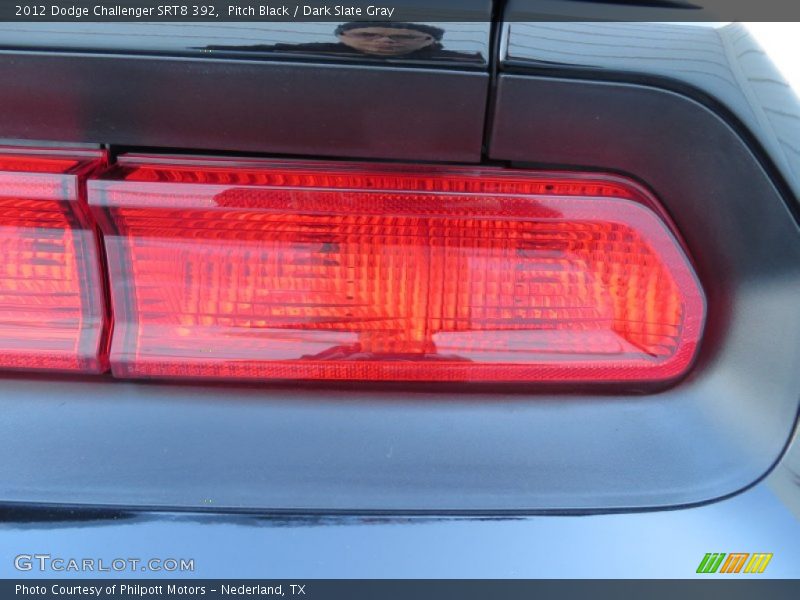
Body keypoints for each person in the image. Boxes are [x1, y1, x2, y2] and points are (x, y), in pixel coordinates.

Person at [200, 22, 484, 64]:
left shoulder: (467, 63)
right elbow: (266, 51)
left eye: (402, 37)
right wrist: (205, 50)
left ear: (429, 41)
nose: (385, 40)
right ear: (341, 38)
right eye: (368, 34)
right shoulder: (312, 53)